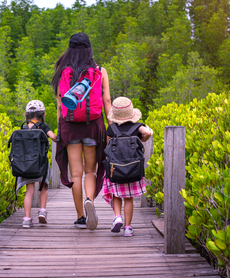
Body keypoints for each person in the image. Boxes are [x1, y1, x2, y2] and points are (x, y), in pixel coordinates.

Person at [51, 33, 112, 230]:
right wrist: (113, 128)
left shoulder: (62, 71)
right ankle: (89, 200)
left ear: (69, 49)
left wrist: (60, 129)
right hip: (93, 126)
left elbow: (60, 106)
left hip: (70, 127)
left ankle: (80, 217)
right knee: (90, 171)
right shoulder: (100, 71)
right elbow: (107, 102)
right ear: (89, 49)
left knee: (75, 174)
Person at [102, 97, 152, 236]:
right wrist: (140, 140)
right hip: (133, 167)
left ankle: (117, 217)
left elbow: (108, 146)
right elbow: (148, 132)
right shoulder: (137, 126)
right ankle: (128, 228)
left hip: (115, 168)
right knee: (128, 198)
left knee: (116, 195)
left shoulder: (111, 128)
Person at [15, 100, 57, 228]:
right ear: (43, 114)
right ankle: (42, 211)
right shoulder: (43, 127)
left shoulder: (22, 128)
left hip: (26, 165)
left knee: (29, 191)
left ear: (26, 115)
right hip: (41, 164)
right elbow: (54, 137)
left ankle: (27, 219)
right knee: (43, 187)